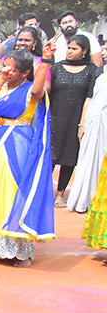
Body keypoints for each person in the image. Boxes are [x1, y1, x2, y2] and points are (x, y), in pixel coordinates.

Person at [0, 48, 54, 265]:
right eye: (7, 65)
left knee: (10, 189)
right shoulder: (2, 86)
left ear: (25, 73)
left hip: (16, 142)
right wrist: (0, 80)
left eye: (14, 69)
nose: (8, 70)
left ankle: (16, 246)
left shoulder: (29, 90)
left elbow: (38, 90)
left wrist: (45, 61)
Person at [50, 34, 102, 206]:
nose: (70, 51)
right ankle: (42, 192)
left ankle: (60, 194)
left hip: (76, 119)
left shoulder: (91, 70)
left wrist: (83, 123)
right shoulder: (56, 68)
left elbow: (90, 97)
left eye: (74, 49)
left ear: (84, 51)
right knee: (50, 155)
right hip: (55, 118)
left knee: (70, 156)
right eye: (69, 48)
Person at [69, 72, 107, 213]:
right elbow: (89, 100)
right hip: (94, 121)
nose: (103, 52)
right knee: (89, 159)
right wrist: (82, 124)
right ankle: (85, 200)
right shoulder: (99, 74)